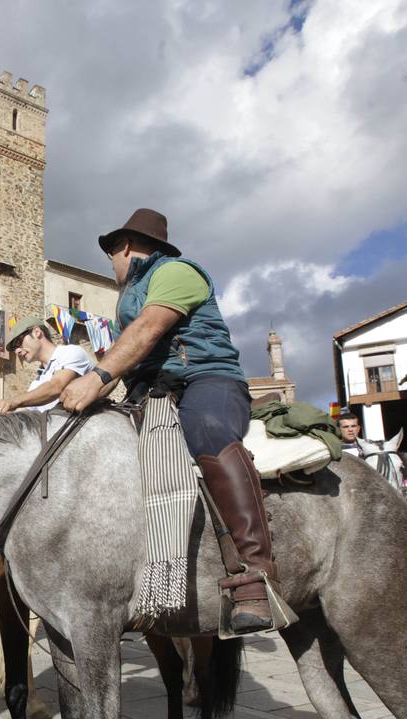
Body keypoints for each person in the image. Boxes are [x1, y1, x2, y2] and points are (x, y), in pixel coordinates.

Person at [59, 208, 276, 633]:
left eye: (111, 256)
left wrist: (98, 377)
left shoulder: (178, 271)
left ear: (124, 246)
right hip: (151, 391)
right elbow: (133, 346)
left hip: (207, 379)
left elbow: (148, 330)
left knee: (206, 428)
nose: (113, 265)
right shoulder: (133, 290)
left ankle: (255, 575)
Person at [0, 314, 94, 414]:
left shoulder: (71, 352)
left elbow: (56, 387)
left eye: (18, 342)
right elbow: (24, 411)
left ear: (37, 332)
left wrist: (13, 401)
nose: (17, 351)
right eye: (14, 348)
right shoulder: (37, 383)